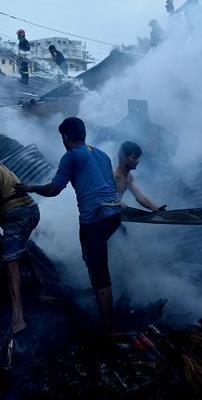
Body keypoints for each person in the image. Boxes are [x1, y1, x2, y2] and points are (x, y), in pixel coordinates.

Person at [15, 117, 122, 333]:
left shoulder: (70, 156)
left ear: (65, 137)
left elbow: (55, 189)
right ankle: (98, 292)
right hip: (113, 214)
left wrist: (31, 188)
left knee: (100, 273)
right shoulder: (101, 154)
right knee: (92, 259)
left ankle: (109, 329)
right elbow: (111, 186)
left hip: (96, 217)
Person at [0, 164, 39, 336]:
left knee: (11, 267)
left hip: (16, 213)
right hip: (31, 210)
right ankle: (37, 279)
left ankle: (18, 320)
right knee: (17, 245)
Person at [114, 141, 166, 212]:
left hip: (113, 214)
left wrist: (156, 209)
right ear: (123, 157)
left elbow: (140, 197)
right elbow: (100, 197)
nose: (138, 161)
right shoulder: (113, 176)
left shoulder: (129, 177)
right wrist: (117, 203)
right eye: (134, 158)